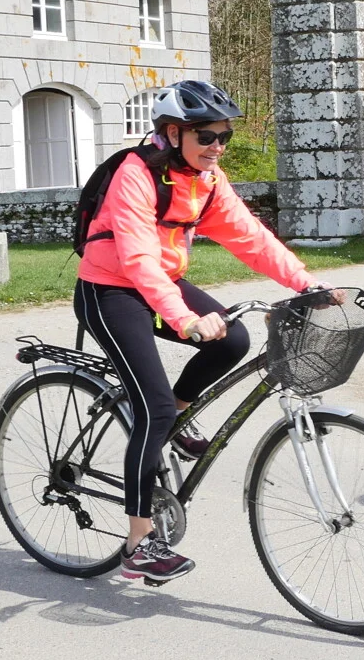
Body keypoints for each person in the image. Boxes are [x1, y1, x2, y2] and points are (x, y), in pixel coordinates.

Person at [75, 79, 330, 583]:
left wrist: (308, 284)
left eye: (224, 137)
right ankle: (138, 543)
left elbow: (250, 237)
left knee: (233, 339)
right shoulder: (136, 174)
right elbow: (138, 259)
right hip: (111, 290)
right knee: (154, 406)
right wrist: (185, 319)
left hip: (160, 283)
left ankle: (174, 421)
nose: (217, 146)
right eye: (206, 136)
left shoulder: (206, 180)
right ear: (172, 134)